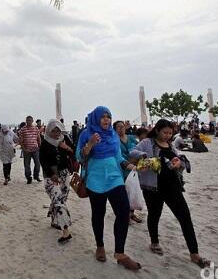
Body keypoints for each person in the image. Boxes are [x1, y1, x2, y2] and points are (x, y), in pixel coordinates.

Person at [131, 119, 210, 268]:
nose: (167, 135)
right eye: (165, 132)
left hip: (172, 186)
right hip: (152, 187)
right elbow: (133, 151)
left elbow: (177, 157)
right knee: (155, 214)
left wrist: (178, 162)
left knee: (185, 216)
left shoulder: (170, 145)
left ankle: (194, 253)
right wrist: (145, 156)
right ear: (157, 131)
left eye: (170, 133)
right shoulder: (148, 142)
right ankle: (154, 242)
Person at [76, 106, 141, 270]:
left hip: (115, 178)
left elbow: (119, 157)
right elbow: (80, 157)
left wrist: (133, 167)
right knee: (98, 214)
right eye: (103, 117)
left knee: (123, 211)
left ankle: (120, 253)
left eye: (109, 116)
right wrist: (90, 144)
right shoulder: (86, 133)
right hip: (95, 181)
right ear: (96, 118)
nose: (107, 120)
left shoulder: (112, 134)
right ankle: (100, 245)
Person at [39, 119, 74, 244]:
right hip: (51, 177)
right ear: (48, 131)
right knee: (59, 201)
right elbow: (42, 161)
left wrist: (66, 147)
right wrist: (51, 174)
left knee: (62, 199)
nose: (55, 134)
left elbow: (74, 152)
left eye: (57, 130)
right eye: (53, 131)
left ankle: (54, 221)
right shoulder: (45, 142)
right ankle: (65, 231)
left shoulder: (65, 139)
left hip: (64, 174)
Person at [113, 120, 141, 224]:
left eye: (122, 126)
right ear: (115, 129)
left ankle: (131, 213)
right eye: (118, 127)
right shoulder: (114, 141)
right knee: (124, 193)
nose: (121, 129)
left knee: (133, 191)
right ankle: (124, 215)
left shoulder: (131, 138)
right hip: (121, 169)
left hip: (134, 168)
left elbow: (138, 148)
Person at [18, 116, 42, 184]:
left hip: (35, 149)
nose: (29, 121)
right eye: (27, 120)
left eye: (30, 120)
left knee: (37, 164)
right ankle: (29, 178)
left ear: (32, 121)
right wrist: (24, 149)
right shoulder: (22, 130)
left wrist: (40, 146)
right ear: (26, 121)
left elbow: (39, 138)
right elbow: (20, 141)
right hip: (27, 150)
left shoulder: (36, 129)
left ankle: (36, 176)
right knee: (27, 165)